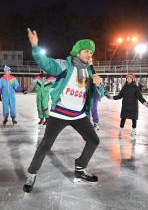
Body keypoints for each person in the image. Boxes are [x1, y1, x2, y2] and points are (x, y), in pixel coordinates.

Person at [23, 28, 104, 193]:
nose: (90, 54)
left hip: (79, 115)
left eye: (91, 52)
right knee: (46, 144)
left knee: (94, 140)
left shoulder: (90, 72)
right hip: (59, 113)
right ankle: (31, 174)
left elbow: (99, 95)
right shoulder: (64, 65)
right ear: (78, 51)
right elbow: (45, 63)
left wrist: (99, 84)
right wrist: (35, 47)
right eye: (87, 51)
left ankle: (80, 170)